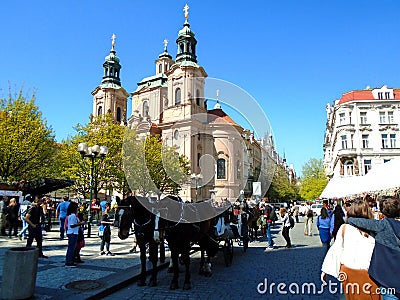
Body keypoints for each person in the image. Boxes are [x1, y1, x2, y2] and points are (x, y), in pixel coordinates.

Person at [321, 200, 379, 300]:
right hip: (369, 273)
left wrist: (325, 270)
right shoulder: (374, 229)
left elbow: (336, 250)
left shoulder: (345, 228)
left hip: (349, 272)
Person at [347, 198, 400, 299]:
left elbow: (356, 221)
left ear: (382, 211)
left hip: (387, 279)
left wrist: (349, 219)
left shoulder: (382, 225)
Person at [65, 202, 85, 267]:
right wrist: (80, 223)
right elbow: (72, 225)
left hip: (72, 233)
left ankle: (70, 260)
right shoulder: (73, 216)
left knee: (71, 248)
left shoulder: (71, 215)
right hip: (73, 233)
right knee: (71, 248)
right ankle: (69, 262)